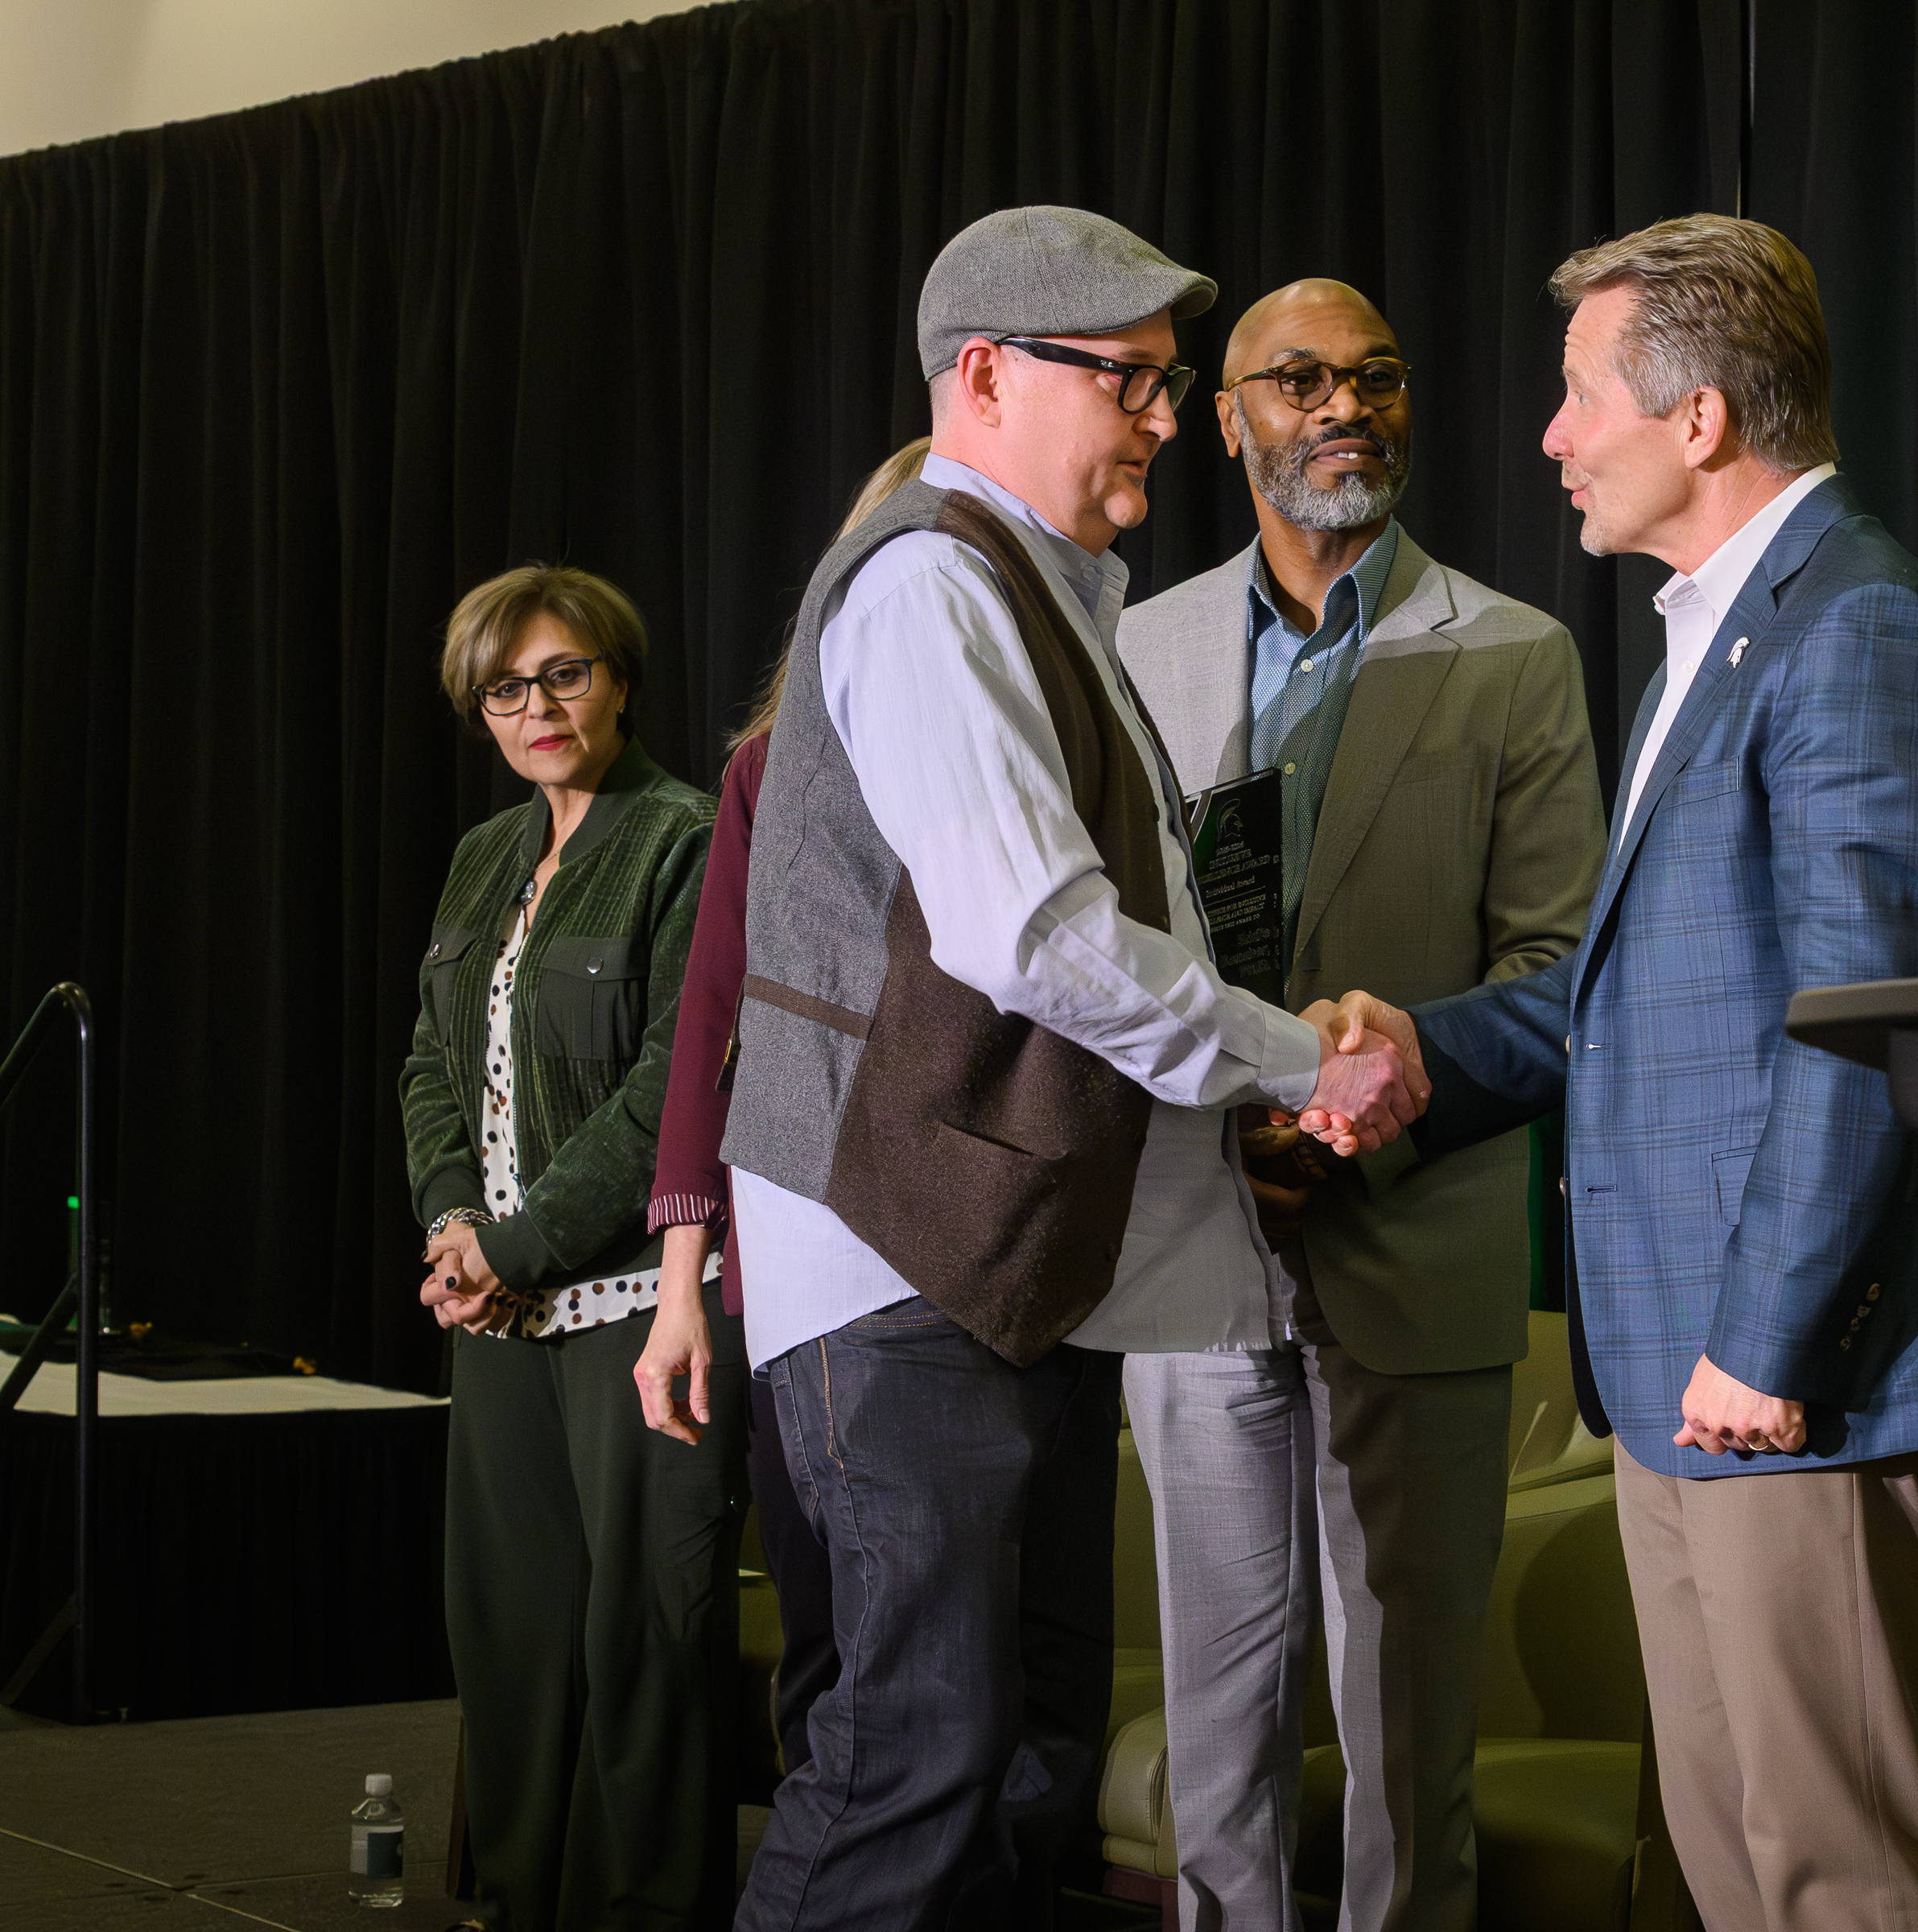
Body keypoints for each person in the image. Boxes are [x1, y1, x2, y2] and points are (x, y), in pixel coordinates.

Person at [717, 207, 1419, 1932]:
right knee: (907, 1765)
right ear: (982, 376)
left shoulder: (1026, 592)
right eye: (1130, 382)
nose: (1167, 424)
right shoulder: (932, 585)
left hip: (985, 1277)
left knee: (1009, 1777)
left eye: (1171, 386)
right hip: (897, 1272)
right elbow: (1036, 937)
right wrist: (1290, 1061)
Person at [1311, 214, 1918, 1931]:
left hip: (1784, 1381)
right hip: (1676, 1374)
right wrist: (1416, 1055)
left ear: (1697, 420)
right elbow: (1627, 1007)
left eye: (1576, 394)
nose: (1550, 437)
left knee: (1835, 1875)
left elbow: (1863, 1018)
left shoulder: (1855, 630)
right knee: (1727, 1860)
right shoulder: (1720, 629)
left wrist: (1765, 1347)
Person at [1113, 280, 1605, 1929]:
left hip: (1418, 1240)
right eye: (1302, 379)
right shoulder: (1135, 648)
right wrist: (1226, 1114)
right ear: (1231, 415)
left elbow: (1559, 966)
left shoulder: (1515, 655)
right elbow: (1094, 948)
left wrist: (1365, 1099)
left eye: (1378, 377)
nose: (1346, 406)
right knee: (1216, 1747)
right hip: (1195, 1241)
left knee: (1410, 1753)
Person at [398, 567, 739, 1930]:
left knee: (647, 1646)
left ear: (620, 679)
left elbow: (677, 1086)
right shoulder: (485, 857)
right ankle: (518, 1903)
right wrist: (449, 1228)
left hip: (637, 1311)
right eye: (506, 688)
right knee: (515, 1639)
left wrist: (525, 1242)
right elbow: (432, 1060)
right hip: (498, 1308)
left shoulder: (689, 838)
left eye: (565, 674)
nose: (537, 707)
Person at [633, 436, 930, 1787]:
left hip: (980, 1260)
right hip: (809, 1271)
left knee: (981, 1687)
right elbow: (712, 1029)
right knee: (837, 1662)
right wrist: (681, 1287)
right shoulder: (769, 768)